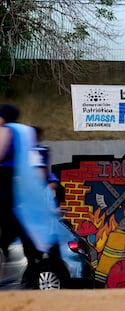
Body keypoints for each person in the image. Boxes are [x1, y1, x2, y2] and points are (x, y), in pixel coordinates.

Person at [0, 104, 58, 287]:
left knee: (10, 227)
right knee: (24, 230)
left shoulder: (7, 131)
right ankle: (31, 271)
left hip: (6, 184)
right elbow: (42, 174)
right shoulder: (28, 138)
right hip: (21, 190)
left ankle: (12, 267)